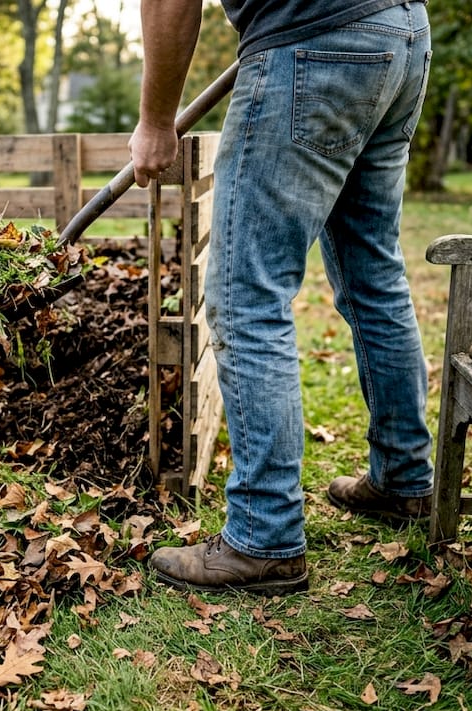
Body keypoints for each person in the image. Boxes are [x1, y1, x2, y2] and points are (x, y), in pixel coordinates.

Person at [130, 0, 435, 595]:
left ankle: (263, 533)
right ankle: (404, 479)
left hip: (311, 45)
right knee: (372, 272)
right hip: (401, 36)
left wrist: (155, 119)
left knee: (248, 295)